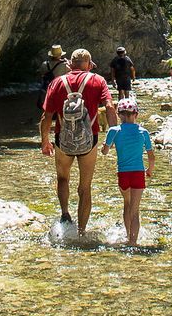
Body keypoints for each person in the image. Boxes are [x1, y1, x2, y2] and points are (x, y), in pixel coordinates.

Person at [39, 48, 116, 235]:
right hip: (89, 141)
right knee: (85, 186)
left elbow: (46, 116)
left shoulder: (57, 82)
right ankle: (81, 232)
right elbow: (110, 107)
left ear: (69, 64)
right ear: (89, 65)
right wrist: (113, 137)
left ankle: (65, 213)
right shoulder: (98, 81)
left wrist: (45, 142)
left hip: (62, 139)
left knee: (63, 178)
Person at [101, 97, 155, 245]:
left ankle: (127, 236)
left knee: (127, 203)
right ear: (136, 114)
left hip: (123, 173)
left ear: (119, 115)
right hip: (138, 173)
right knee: (135, 210)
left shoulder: (114, 131)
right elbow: (151, 157)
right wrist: (149, 171)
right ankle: (133, 241)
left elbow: (105, 152)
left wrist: (105, 146)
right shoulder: (143, 132)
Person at [37, 44, 69, 110]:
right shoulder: (65, 65)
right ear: (61, 54)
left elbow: (41, 73)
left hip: (48, 89)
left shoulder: (45, 64)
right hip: (60, 89)